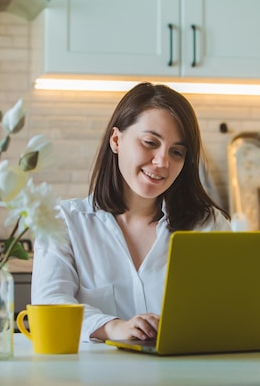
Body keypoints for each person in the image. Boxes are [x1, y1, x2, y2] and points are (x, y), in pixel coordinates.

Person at [31, 82, 231, 342]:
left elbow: (227, 310)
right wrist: (112, 327)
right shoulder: (65, 221)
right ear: (116, 140)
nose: (162, 162)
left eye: (177, 152)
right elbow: (49, 303)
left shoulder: (208, 225)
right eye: (150, 143)